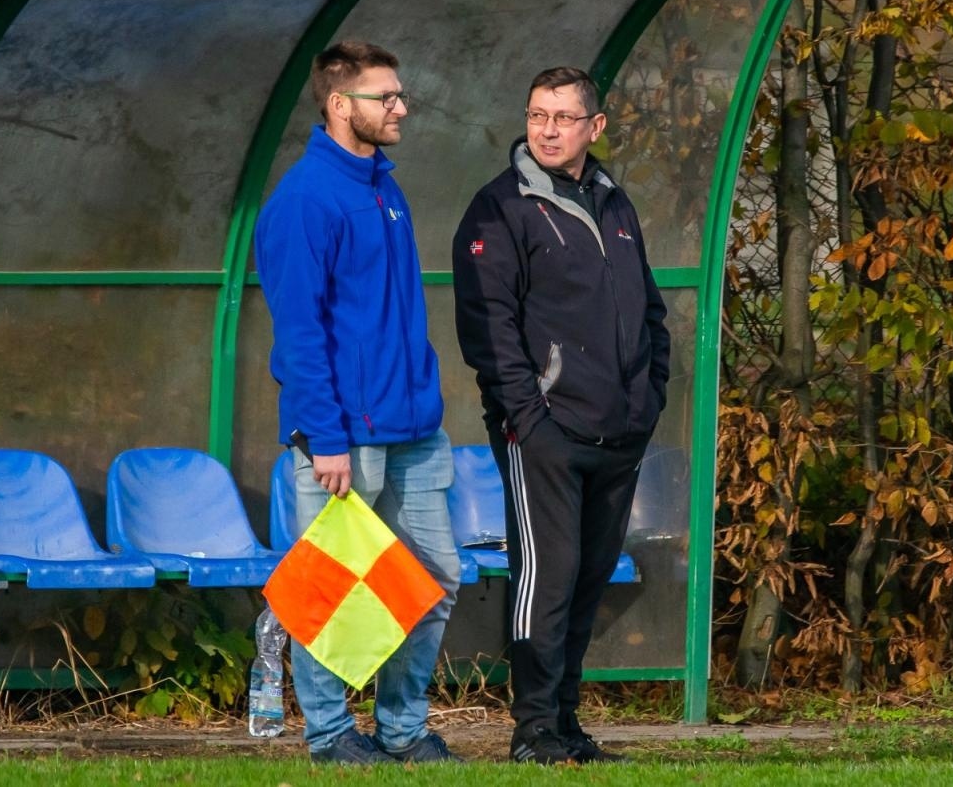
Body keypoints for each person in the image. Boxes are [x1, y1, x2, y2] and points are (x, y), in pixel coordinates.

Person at [452, 66, 670, 765]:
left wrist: (649, 397)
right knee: (546, 577)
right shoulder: (501, 207)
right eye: (537, 115)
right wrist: (527, 418)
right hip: (545, 431)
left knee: (587, 577)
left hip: (619, 431)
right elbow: (489, 327)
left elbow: (650, 313)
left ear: (594, 127)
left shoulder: (613, 202)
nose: (547, 129)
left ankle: (567, 726)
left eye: (562, 117)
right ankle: (533, 730)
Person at [254, 40, 461, 765]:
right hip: (343, 438)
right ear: (341, 106)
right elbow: (301, 331)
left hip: (414, 432)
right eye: (386, 97)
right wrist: (325, 434)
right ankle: (332, 734)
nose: (401, 108)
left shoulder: (385, 187)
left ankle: (404, 729)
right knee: (329, 593)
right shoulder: (305, 201)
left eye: (401, 94)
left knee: (435, 580)